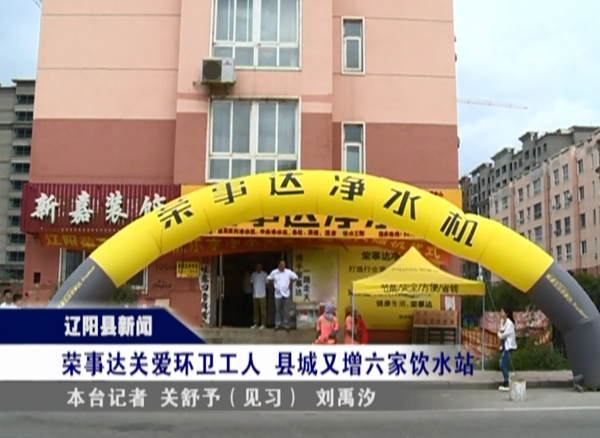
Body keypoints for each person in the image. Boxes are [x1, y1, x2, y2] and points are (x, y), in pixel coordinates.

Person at [267, 260, 298, 332]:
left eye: (284, 265)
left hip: (286, 293)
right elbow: (268, 279)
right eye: (281, 265)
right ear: (279, 265)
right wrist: (273, 284)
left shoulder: (288, 272)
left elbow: (296, 277)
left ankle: (286, 325)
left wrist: (291, 282)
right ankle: (277, 324)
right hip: (277, 294)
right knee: (278, 310)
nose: (283, 266)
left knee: (286, 310)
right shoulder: (274, 272)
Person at [497, 308, 517, 391]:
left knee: (502, 364)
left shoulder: (510, 324)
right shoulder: (502, 321)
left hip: (509, 346)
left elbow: (504, 335)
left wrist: (500, 335)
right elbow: (500, 331)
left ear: (506, 313)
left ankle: (508, 380)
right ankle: (506, 379)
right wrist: (500, 334)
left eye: (502, 311)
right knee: (503, 363)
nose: (500, 313)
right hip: (504, 346)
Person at [250, 263, 268, 329]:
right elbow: (251, 283)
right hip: (255, 295)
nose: (258, 268)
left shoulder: (265, 274)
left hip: (262, 295)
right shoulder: (253, 274)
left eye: (259, 267)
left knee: (263, 310)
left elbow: (267, 284)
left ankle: (263, 324)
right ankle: (256, 323)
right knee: (255, 310)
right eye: (257, 267)